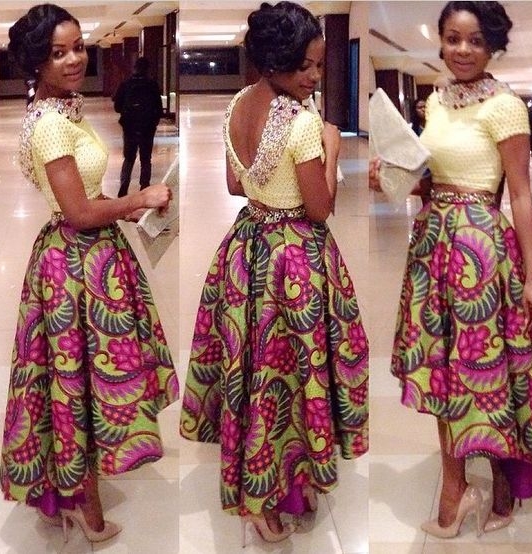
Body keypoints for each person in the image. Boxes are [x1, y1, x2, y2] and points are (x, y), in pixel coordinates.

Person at [179, 1, 368, 546]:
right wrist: (332, 149)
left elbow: (236, 186)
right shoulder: (304, 125)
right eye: (305, 66)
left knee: (255, 373)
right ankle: (272, 495)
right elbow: (320, 208)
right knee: (289, 375)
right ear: (275, 62)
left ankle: (268, 481)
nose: (315, 77)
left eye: (319, 65)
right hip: (295, 260)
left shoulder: (237, 104)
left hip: (247, 249)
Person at [375, 0, 532, 539]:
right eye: (453, 38)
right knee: (443, 370)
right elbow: (437, 175)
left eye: (475, 41)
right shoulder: (436, 99)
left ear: (492, 46)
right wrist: (400, 178)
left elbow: (519, 196)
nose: (462, 50)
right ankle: (456, 486)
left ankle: (495, 482)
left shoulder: (505, 107)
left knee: (486, 372)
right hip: (433, 249)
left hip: (482, 252)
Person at [1, 4, 179, 544]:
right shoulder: (51, 126)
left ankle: (69, 493)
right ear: (37, 62)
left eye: (78, 47)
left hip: (83, 257)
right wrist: (138, 199)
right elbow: (79, 211)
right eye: (58, 53)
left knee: (73, 381)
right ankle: (85, 504)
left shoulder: (59, 111)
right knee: (83, 382)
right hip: (77, 266)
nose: (74, 59)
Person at [113, 57, 163, 197]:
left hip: (129, 126)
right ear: (148, 69)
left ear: (134, 68)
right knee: (146, 158)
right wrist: (153, 122)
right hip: (147, 127)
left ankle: (124, 186)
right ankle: (144, 186)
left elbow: (117, 107)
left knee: (129, 158)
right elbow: (159, 108)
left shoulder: (126, 84)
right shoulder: (152, 85)